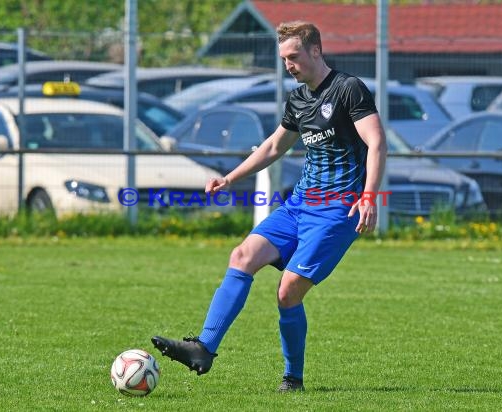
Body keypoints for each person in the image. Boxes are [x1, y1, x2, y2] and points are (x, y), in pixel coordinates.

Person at [152, 20, 387, 392]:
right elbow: (274, 146)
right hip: (300, 205)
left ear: (316, 50)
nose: (288, 65)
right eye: (283, 59)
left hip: (338, 209)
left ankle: (293, 378)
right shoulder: (298, 99)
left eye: (294, 56)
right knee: (243, 255)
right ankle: (203, 348)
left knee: (287, 291)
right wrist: (230, 178)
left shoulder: (348, 90)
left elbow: (376, 142)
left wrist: (369, 195)